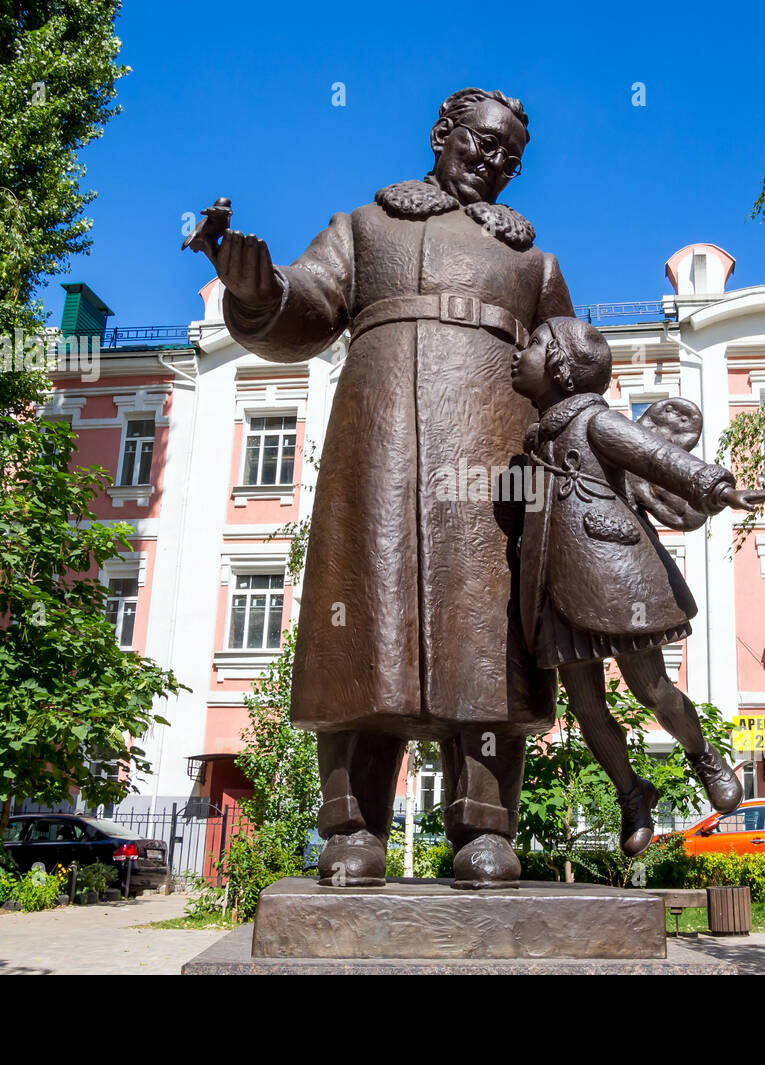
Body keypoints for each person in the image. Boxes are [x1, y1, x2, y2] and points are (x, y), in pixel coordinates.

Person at [189, 88, 573, 888]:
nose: (496, 161)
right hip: (381, 449)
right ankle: (352, 827)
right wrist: (258, 290)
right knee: (365, 627)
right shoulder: (365, 229)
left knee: (489, 637)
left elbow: (573, 371)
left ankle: (485, 828)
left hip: (493, 460)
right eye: (483, 141)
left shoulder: (534, 263)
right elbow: (307, 304)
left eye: (512, 155)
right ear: (442, 134)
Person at [510, 317, 765, 855]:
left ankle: (703, 755)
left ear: (562, 369)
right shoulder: (536, 438)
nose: (522, 353)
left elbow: (658, 456)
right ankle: (633, 795)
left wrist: (719, 487)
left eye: (536, 344)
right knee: (586, 706)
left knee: (652, 688)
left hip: (613, 578)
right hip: (553, 584)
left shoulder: (594, 421)